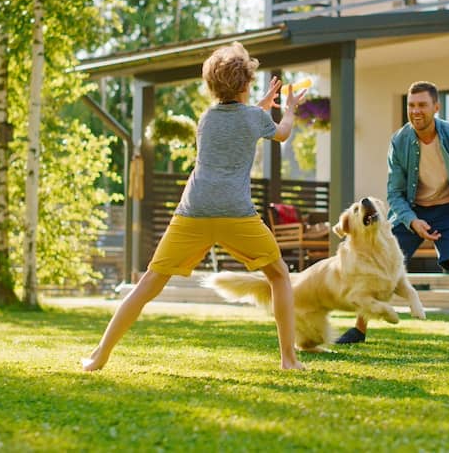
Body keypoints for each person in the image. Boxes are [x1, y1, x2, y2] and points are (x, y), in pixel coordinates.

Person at [82, 42, 307, 371]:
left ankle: (99, 356)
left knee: (149, 282)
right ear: (245, 84)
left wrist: (261, 105)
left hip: (194, 211)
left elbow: (240, 121)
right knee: (279, 275)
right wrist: (288, 108)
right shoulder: (256, 117)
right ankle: (289, 360)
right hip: (236, 213)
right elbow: (280, 133)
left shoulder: (206, 119)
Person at [336, 81, 449, 345]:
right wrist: (412, 221)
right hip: (411, 211)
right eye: (411, 105)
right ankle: (359, 329)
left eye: (422, 105)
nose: (416, 111)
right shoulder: (400, 141)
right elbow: (394, 194)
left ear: (436, 107)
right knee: (380, 263)